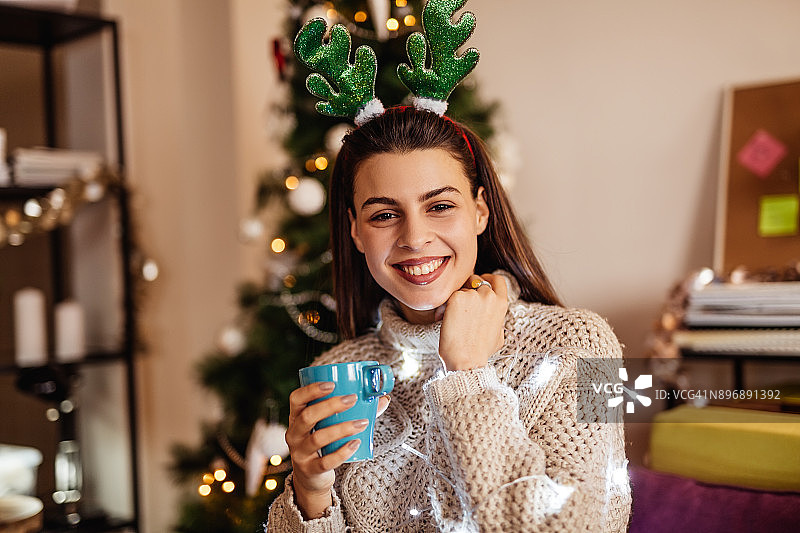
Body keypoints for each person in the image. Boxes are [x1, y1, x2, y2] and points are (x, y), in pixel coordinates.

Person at [265, 106, 632, 532]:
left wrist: (470, 375)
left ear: (480, 211)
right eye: (384, 215)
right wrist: (310, 493)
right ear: (355, 230)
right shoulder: (334, 372)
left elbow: (587, 525)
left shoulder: (588, 342)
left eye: (439, 205)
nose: (415, 238)